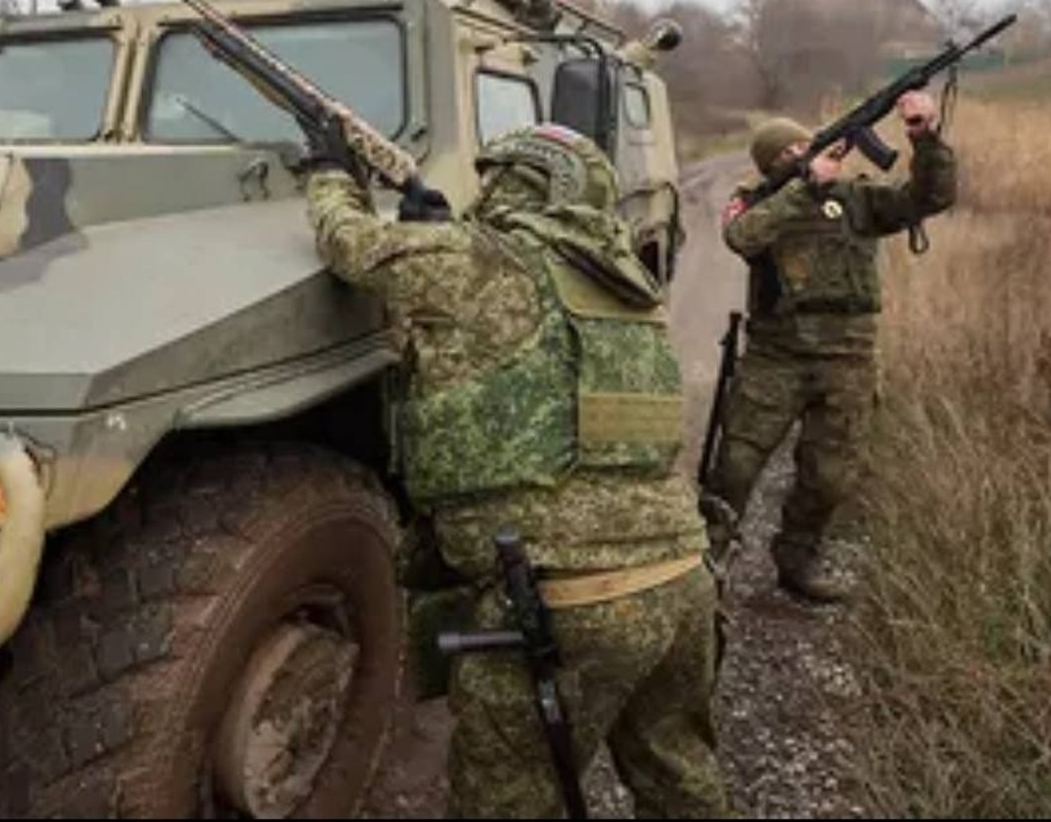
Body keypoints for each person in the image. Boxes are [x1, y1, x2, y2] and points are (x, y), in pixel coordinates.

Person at [305, 124, 728, 818]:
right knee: (678, 775)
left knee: (508, 799)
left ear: (518, 182)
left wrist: (329, 172)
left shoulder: (482, 261)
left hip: (571, 597)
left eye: (495, 177)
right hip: (683, 581)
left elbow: (352, 245)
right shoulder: (628, 286)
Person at [707, 90, 956, 604]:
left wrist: (925, 137)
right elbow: (742, 237)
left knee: (831, 474)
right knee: (736, 464)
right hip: (776, 355)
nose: (802, 157)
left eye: (805, 148)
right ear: (772, 166)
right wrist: (802, 188)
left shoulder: (858, 200)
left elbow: (929, 198)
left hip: (848, 359)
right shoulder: (757, 200)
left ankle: (796, 562)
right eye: (788, 155)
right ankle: (708, 561)